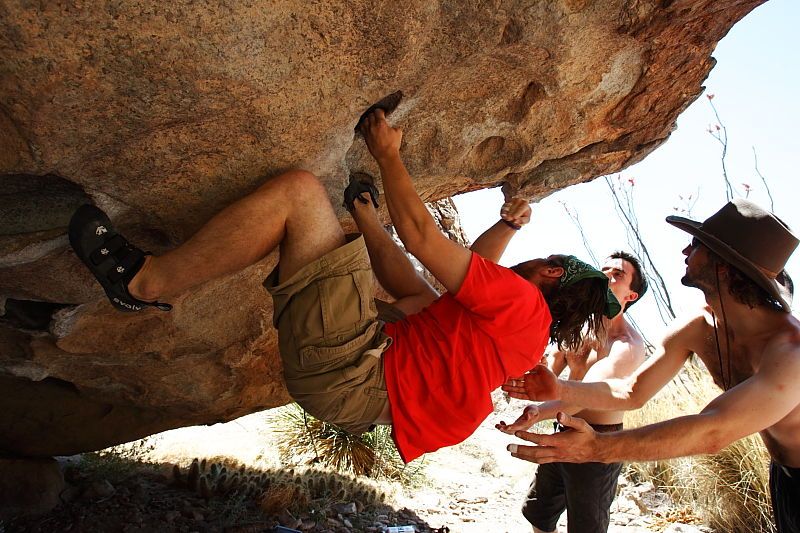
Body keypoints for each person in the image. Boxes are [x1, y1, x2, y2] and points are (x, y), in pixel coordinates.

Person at [68, 109, 617, 464]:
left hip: (352, 371)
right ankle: (365, 215)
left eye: (542, 258)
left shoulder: (520, 302)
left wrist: (388, 152)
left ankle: (144, 282)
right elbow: (454, 277)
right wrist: (369, 219)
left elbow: (427, 240)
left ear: (548, 273)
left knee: (301, 194)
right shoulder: (522, 336)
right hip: (359, 396)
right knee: (426, 300)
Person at [502, 199, 800, 532]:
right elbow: (632, 391)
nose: (686, 251)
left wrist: (597, 448)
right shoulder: (697, 327)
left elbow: (715, 430)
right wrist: (560, 389)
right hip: (784, 473)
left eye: (698, 245)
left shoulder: (791, 353)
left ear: (725, 265)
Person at [497, 251, 647, 533]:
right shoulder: (578, 328)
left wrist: (536, 412)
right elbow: (549, 369)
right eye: (603, 270)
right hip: (561, 427)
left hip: (597, 444)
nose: (607, 276)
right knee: (539, 516)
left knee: (585, 528)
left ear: (631, 296)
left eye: (618, 275)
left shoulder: (626, 345)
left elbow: (585, 394)